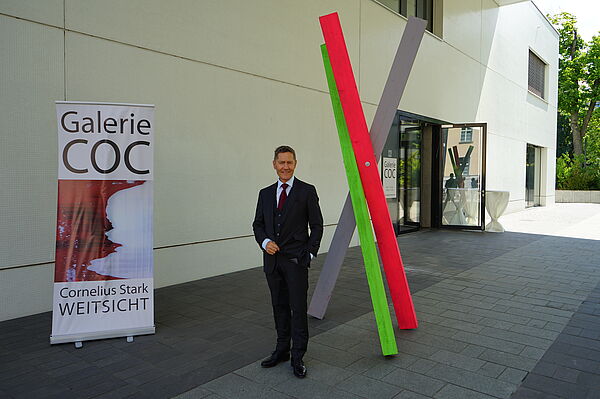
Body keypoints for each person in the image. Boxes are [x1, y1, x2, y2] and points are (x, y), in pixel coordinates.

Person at [252, 145, 323, 378]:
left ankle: (297, 356)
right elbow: (258, 224)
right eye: (281, 162)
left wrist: (310, 253)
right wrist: (264, 242)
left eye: (289, 162)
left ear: (295, 163)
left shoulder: (306, 191)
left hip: (296, 262)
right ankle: (281, 350)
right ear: (274, 164)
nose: (285, 167)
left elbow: (317, 225)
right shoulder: (264, 193)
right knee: (279, 307)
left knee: (298, 309)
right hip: (272, 262)